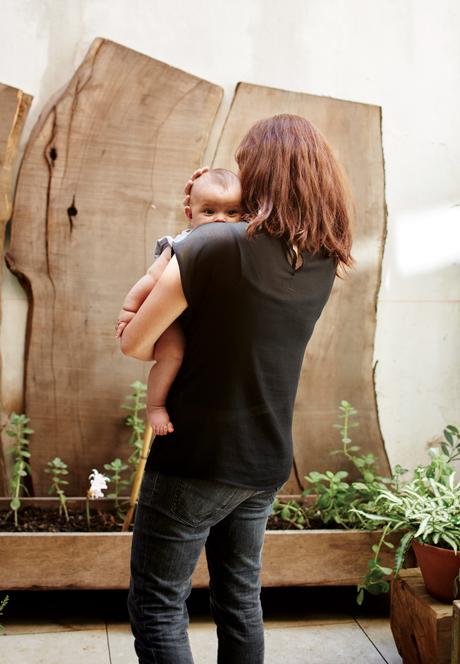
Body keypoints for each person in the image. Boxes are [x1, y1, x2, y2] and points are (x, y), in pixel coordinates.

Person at [119, 114, 353, 664]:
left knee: (157, 605)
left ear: (259, 175)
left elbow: (134, 344)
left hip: (195, 458)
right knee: (241, 600)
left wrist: (196, 223)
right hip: (265, 461)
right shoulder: (323, 256)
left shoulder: (214, 245)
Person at [116, 168, 242, 436]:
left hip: (206, 326)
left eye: (232, 213)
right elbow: (152, 278)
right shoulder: (182, 244)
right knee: (172, 355)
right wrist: (129, 310)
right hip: (173, 319)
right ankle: (156, 405)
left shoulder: (243, 243)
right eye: (209, 212)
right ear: (190, 214)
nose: (221, 220)